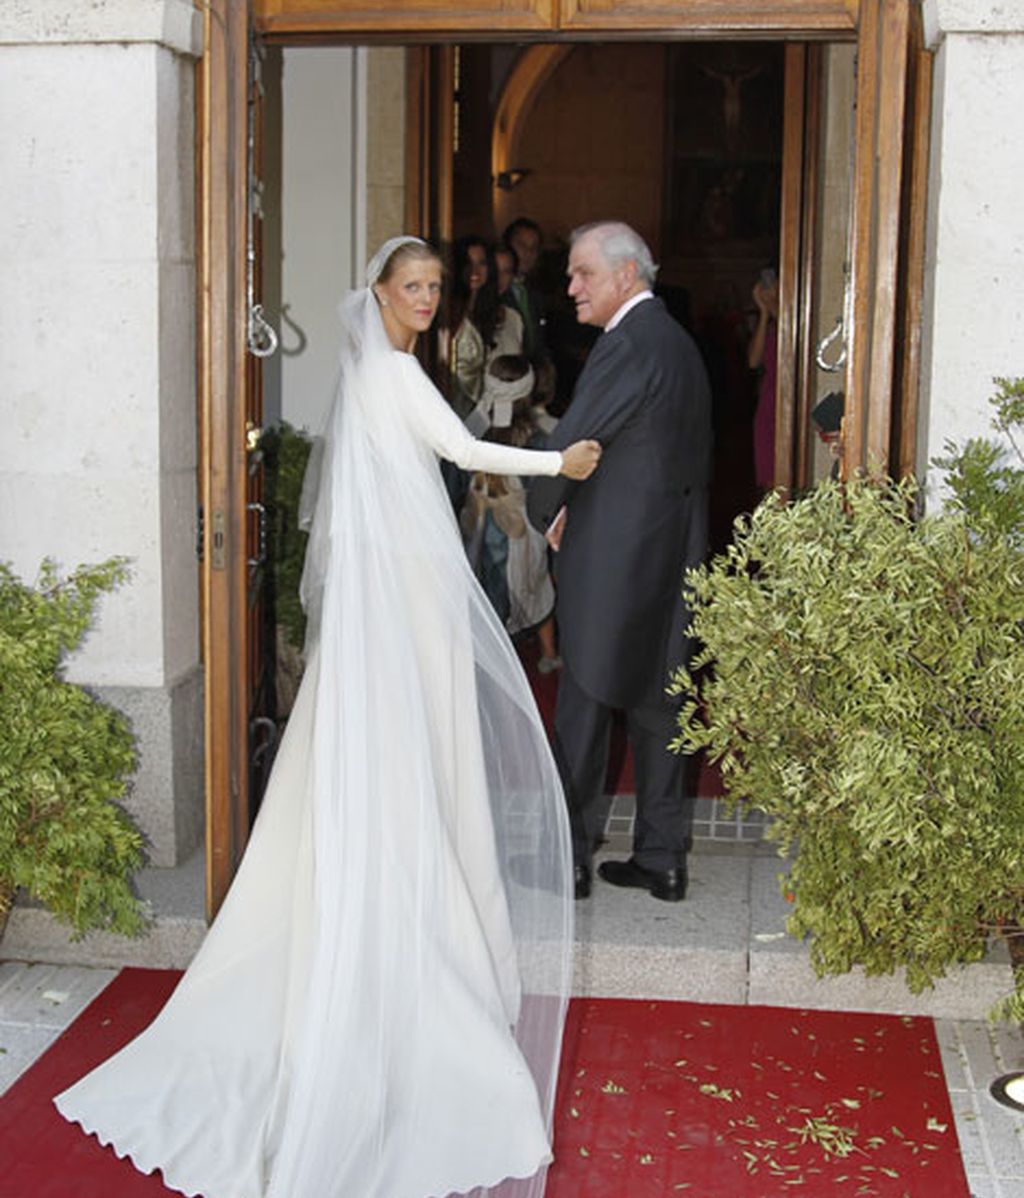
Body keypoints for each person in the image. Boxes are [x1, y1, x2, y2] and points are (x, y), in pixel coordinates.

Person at [55, 236, 601, 1198]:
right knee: (415, 765)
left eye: (436, 287)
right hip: (401, 610)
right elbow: (467, 449)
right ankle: (403, 950)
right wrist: (567, 456)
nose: (428, 299)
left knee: (383, 767)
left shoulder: (367, 374)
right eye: (414, 286)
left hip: (384, 606)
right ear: (380, 293)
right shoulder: (391, 374)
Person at [527, 221, 712, 904]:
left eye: (583, 274)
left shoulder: (627, 343)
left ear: (626, 275)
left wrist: (545, 506)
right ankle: (661, 859)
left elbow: (576, 441)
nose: (571, 286)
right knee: (661, 706)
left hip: (615, 559)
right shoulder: (678, 343)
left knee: (585, 703)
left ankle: (567, 860)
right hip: (675, 557)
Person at [461, 353, 561, 671]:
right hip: (521, 526)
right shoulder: (536, 438)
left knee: (488, 585)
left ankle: (492, 659)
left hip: (478, 522)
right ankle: (546, 654)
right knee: (535, 586)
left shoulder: (474, 430)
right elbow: (547, 487)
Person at [448, 235, 524, 418]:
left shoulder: (503, 316)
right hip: (452, 407)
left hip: (492, 414)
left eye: (481, 263)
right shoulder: (446, 313)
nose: (475, 270)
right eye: (469, 262)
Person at [748, 265, 779, 492]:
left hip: (787, 404)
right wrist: (764, 312)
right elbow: (753, 361)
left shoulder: (792, 319)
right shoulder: (770, 325)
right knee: (768, 482)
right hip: (768, 404)